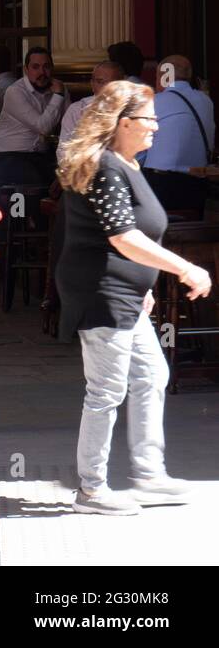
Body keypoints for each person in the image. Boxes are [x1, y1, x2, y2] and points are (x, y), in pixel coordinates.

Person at [55, 80, 210, 515]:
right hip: (102, 292)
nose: (157, 127)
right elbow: (122, 236)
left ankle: (147, 475)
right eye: (150, 119)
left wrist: (144, 286)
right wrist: (184, 267)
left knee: (150, 375)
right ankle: (91, 488)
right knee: (106, 390)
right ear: (124, 123)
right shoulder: (106, 167)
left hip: (125, 293)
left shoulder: (126, 164)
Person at [143, 54, 215, 216]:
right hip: (197, 183)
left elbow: (140, 145)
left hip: (163, 183)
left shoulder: (156, 101)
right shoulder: (206, 101)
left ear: (164, 76)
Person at [0, 47, 66, 187]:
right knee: (35, 182)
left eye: (46, 67)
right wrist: (58, 96)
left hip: (38, 156)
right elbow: (43, 127)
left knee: (69, 180)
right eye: (35, 67)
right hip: (6, 155)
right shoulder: (15, 92)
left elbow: (69, 122)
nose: (42, 72)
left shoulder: (58, 89)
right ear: (26, 69)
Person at [59, 60, 125, 151]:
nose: (106, 88)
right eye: (100, 82)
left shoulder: (131, 110)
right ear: (92, 84)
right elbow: (63, 151)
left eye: (112, 83)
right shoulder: (77, 110)